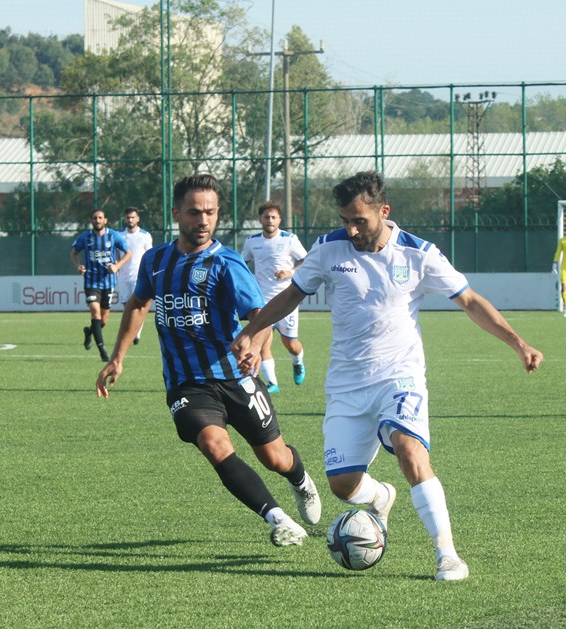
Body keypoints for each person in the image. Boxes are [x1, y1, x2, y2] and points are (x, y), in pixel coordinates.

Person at [231, 171, 543, 581]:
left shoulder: (418, 253)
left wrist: (518, 343)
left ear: (384, 211)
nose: (351, 228)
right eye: (346, 219)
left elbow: (469, 301)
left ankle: (446, 553)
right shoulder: (328, 248)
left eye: (359, 219)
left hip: (399, 375)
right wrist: (252, 333)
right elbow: (291, 295)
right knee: (343, 485)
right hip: (346, 384)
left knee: (411, 452)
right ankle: (381, 496)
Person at [95, 173, 321, 547]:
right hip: (187, 383)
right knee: (214, 445)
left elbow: (261, 315)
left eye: (211, 213)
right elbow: (137, 303)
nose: (203, 221)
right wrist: (118, 358)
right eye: (194, 212)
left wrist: (253, 346)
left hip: (235, 377)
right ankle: (277, 518)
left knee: (276, 458)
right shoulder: (156, 261)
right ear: (176, 213)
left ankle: (300, 480)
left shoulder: (227, 264)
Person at [241, 201, 308, 394]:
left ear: (279, 219)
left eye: (273, 217)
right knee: (262, 343)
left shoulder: (289, 239)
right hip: (262, 301)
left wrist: (291, 272)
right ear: (260, 219)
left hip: (287, 300)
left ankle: (298, 362)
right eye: (266, 217)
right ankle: (272, 383)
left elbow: (307, 260)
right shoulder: (252, 241)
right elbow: (243, 263)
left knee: (292, 345)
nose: (270, 220)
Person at [71, 209, 131, 362]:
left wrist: (117, 266)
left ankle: (89, 332)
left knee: (103, 320)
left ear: (105, 220)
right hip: (91, 281)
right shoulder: (85, 237)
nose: (97, 220)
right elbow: (73, 253)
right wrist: (79, 266)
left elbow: (129, 252)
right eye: (94, 218)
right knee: (95, 311)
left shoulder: (114, 236)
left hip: (108, 282)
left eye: (100, 218)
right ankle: (102, 350)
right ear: (91, 221)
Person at [117, 207, 154, 345]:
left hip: (139, 277)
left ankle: (136, 334)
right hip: (123, 277)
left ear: (138, 218)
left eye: (133, 217)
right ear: (124, 219)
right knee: (127, 306)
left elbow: (149, 255)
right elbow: (116, 254)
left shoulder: (144, 235)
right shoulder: (119, 235)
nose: (130, 220)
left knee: (138, 306)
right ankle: (133, 332)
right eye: (128, 217)